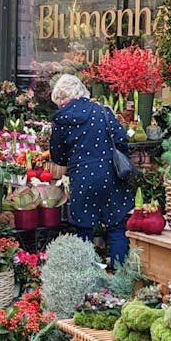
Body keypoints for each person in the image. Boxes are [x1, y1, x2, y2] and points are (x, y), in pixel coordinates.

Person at [49, 74, 134, 266]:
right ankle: (121, 279)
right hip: (110, 175)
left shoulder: (61, 119)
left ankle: (86, 283)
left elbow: (57, 157)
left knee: (83, 229)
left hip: (82, 179)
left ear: (60, 98)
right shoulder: (101, 111)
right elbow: (121, 138)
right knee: (116, 227)